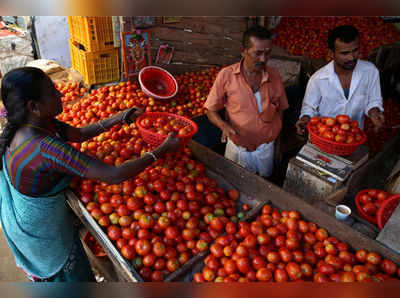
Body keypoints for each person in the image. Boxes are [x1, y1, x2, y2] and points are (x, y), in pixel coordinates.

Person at [0, 67, 181, 282]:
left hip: (29, 215)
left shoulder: (36, 124)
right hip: (40, 232)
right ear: (34, 106)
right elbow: (113, 175)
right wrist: (160, 151)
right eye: (52, 92)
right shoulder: (45, 148)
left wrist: (120, 117)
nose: (60, 94)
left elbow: (80, 134)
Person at [204, 25, 289, 177]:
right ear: (243, 51)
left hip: (266, 148)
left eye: (267, 53)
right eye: (258, 53)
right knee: (234, 185)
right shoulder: (226, 76)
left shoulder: (275, 76)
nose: (263, 59)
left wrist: (277, 143)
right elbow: (210, 110)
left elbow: (281, 109)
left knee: (265, 184)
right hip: (238, 149)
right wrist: (223, 125)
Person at [295, 25, 385, 136]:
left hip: (353, 137)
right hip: (324, 137)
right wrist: (304, 120)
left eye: (355, 50)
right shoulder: (318, 79)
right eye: (345, 53)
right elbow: (309, 109)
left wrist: (374, 112)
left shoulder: (370, 71)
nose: (351, 57)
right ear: (331, 54)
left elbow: (373, 100)